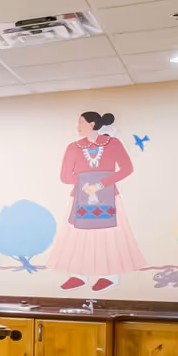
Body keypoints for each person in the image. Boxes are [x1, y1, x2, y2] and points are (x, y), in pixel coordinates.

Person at [50, 110, 147, 291]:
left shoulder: (113, 144)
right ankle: (78, 275)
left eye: (81, 123)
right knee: (79, 235)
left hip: (108, 194)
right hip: (81, 195)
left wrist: (101, 184)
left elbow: (127, 168)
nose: (77, 127)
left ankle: (109, 275)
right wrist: (85, 184)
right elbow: (64, 176)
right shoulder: (73, 147)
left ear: (92, 124)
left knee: (108, 235)